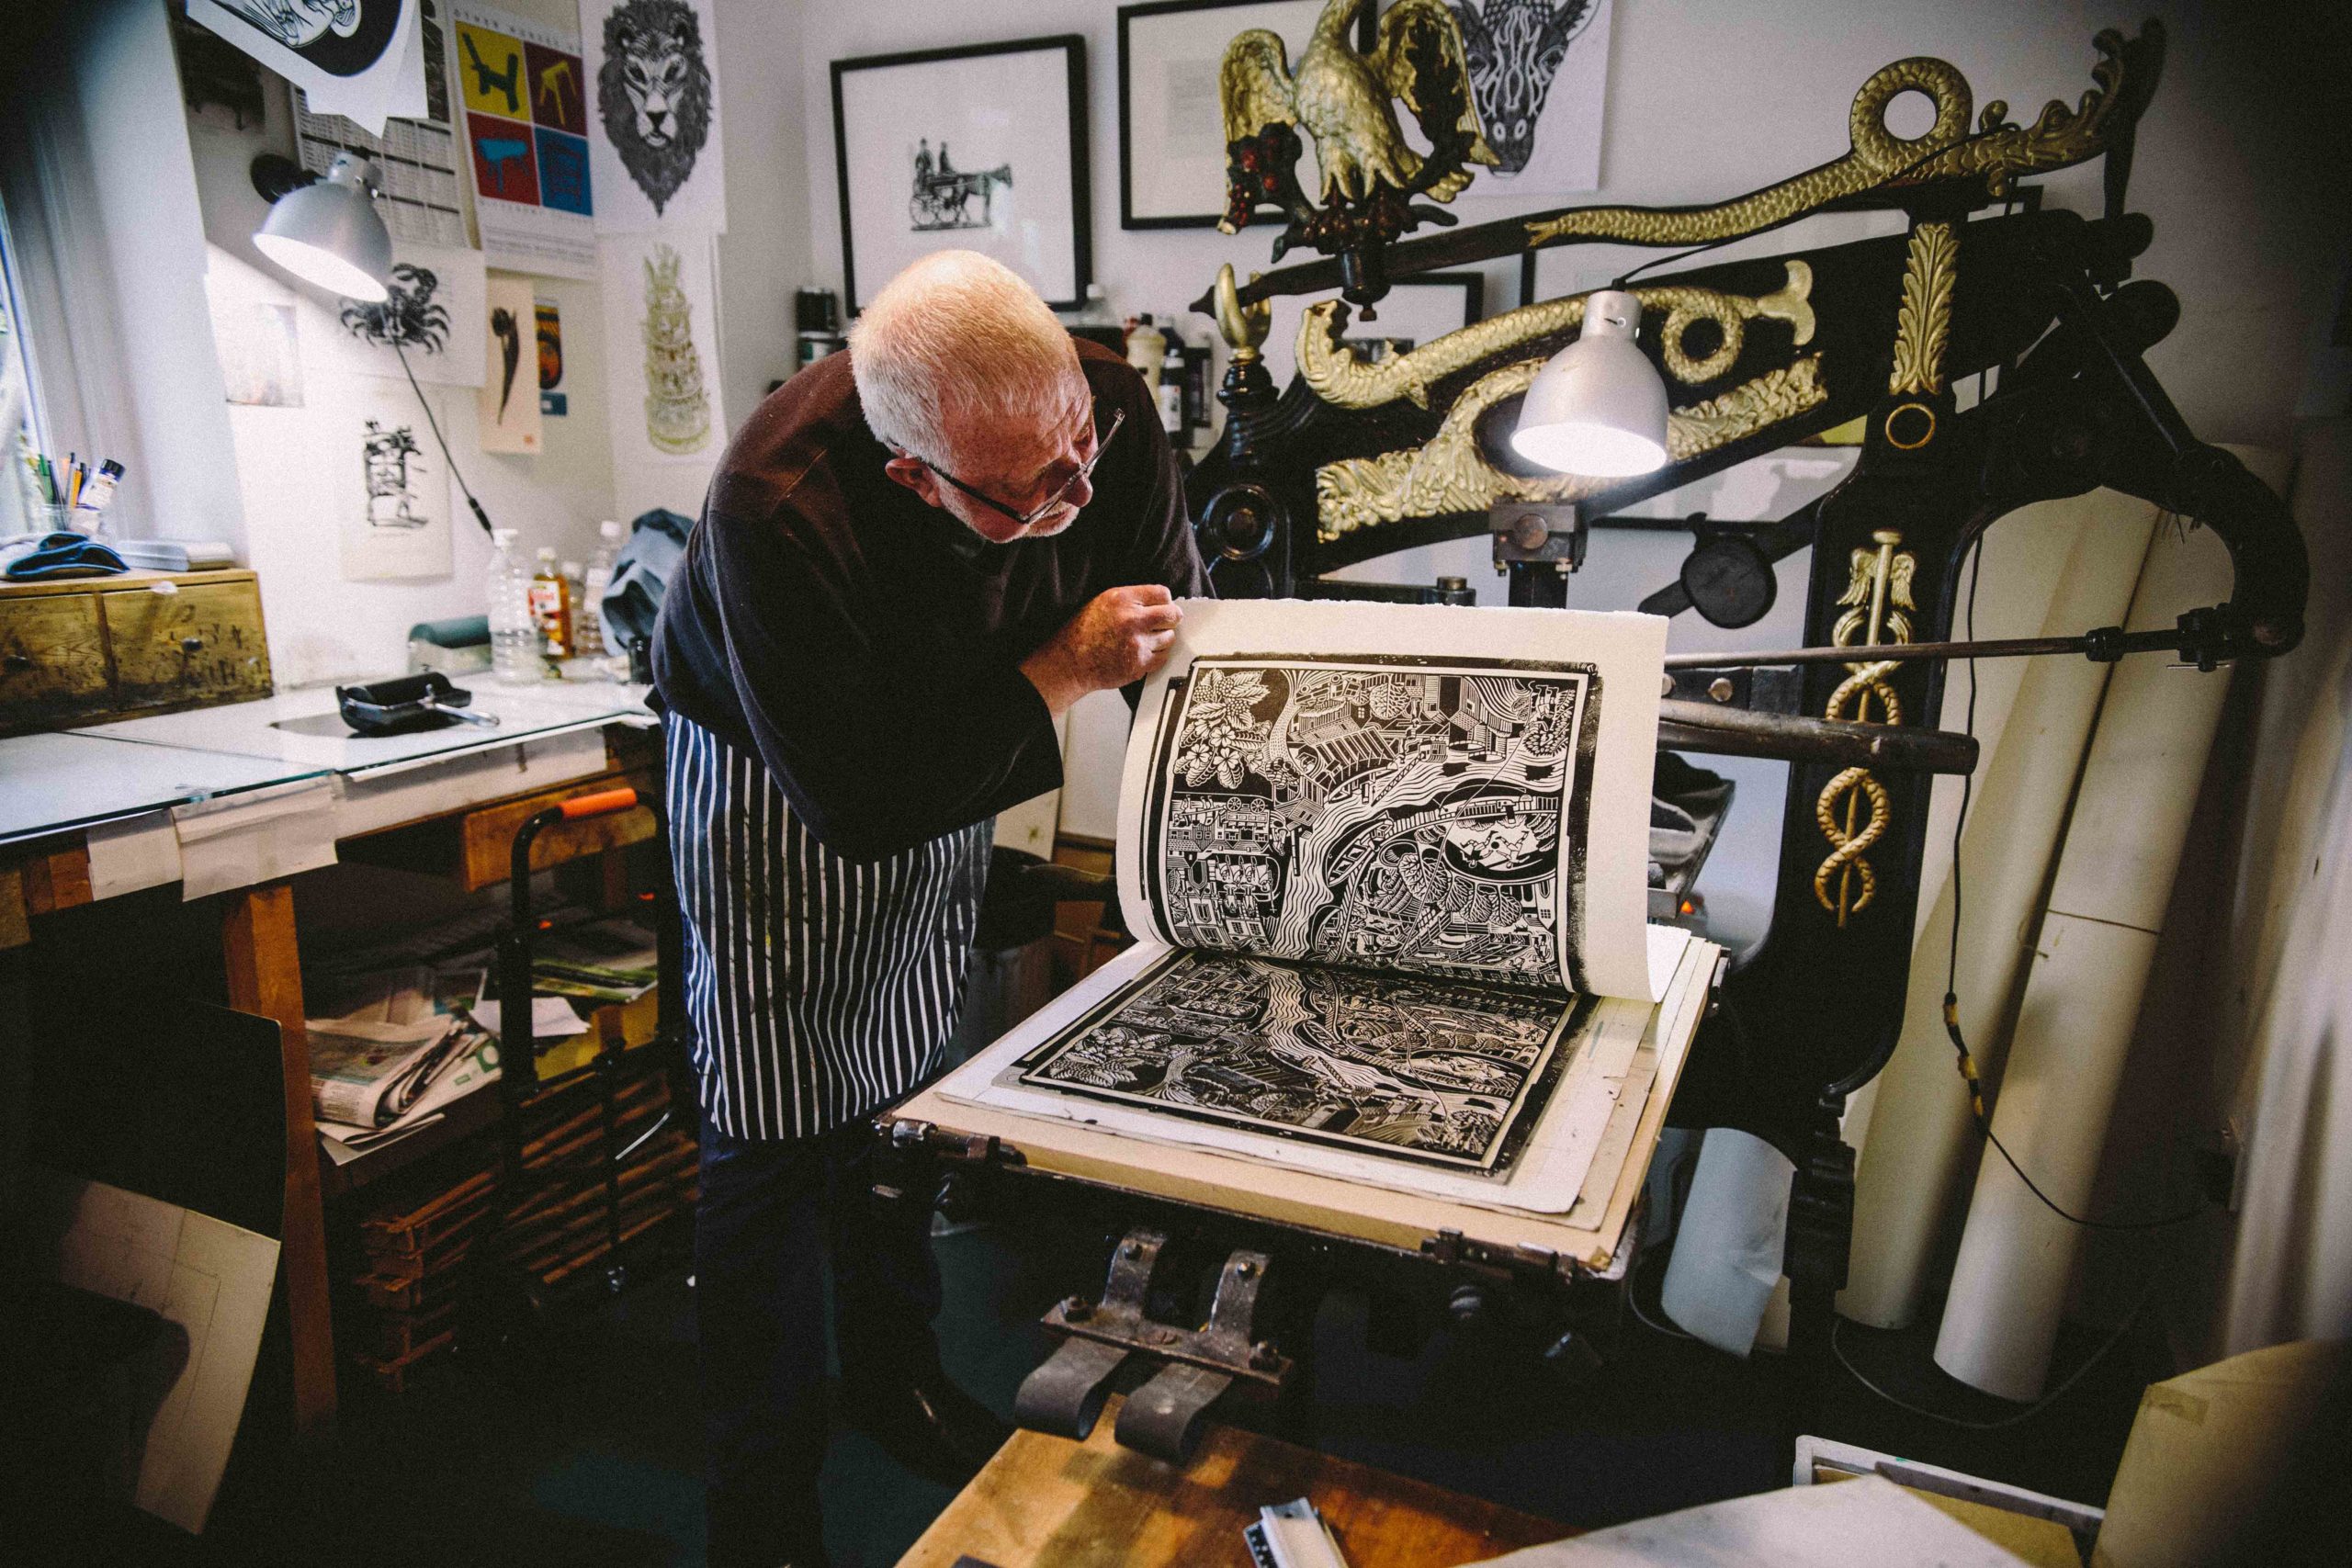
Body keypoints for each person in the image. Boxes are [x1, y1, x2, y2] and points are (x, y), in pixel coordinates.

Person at [649, 251, 1208, 1568]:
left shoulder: (1098, 412)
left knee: (897, 1104)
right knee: (775, 1140)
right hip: (775, 782)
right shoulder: (772, 506)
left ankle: (895, 1379)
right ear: (917, 473)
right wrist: (1062, 668)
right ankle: (765, 1501)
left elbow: (1178, 640)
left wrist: (1212, 831)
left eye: (1078, 441)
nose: (1080, 487)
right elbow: (854, 797)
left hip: (938, 739)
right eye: (1033, 489)